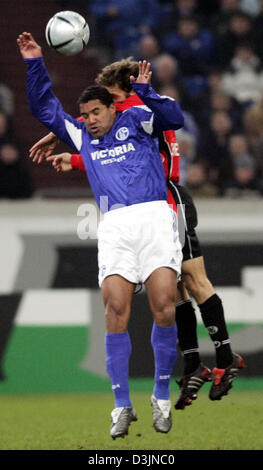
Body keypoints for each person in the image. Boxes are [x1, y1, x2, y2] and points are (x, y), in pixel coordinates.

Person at [28, 57, 245, 409]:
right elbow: (111, 148)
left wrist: (62, 135)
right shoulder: (131, 110)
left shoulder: (140, 106)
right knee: (173, 288)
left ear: (123, 93)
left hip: (165, 198)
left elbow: (122, 134)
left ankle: (224, 357)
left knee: (192, 278)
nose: (108, 105)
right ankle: (192, 361)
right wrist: (73, 150)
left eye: (112, 96)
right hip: (149, 203)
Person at [17, 32, 185, 438]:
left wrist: (145, 91)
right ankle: (121, 405)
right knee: (114, 312)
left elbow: (173, 119)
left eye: (95, 112)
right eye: (85, 114)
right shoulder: (81, 136)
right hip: (114, 226)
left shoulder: (138, 119)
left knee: (164, 307)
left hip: (154, 219)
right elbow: (44, 107)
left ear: (112, 108)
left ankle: (161, 396)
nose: (89, 119)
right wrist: (35, 62)